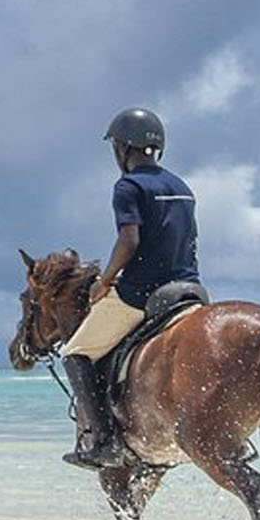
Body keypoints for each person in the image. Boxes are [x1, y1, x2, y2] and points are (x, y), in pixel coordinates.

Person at [59, 107, 201, 470]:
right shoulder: (182, 188)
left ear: (123, 147)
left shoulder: (128, 186)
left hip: (142, 293)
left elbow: (129, 238)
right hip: (189, 289)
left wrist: (106, 282)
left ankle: (105, 441)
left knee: (74, 353)